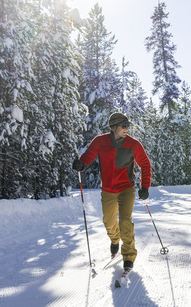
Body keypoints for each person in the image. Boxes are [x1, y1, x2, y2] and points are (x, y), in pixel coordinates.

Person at [73, 112, 152, 272]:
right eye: (124, 126)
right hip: (108, 189)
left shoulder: (133, 144)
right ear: (113, 127)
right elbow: (88, 156)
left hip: (126, 189)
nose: (127, 128)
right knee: (108, 222)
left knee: (125, 221)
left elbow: (145, 164)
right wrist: (81, 164)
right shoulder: (100, 141)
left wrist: (144, 187)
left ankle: (129, 257)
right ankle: (115, 240)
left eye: (128, 125)